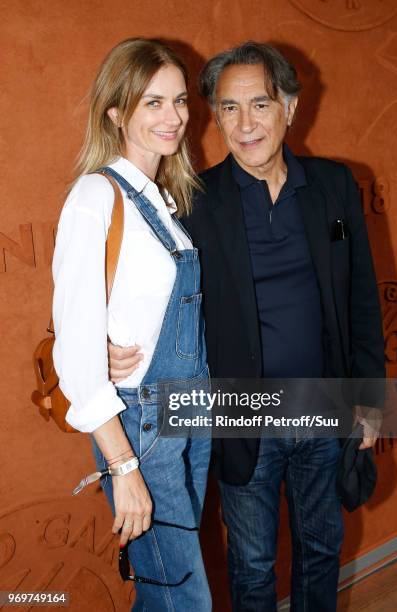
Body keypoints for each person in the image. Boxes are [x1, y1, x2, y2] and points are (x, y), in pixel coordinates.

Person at [109, 41, 385, 611]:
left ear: (290, 106)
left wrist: (370, 399)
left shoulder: (334, 186)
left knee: (320, 552)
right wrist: (94, 344)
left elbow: (361, 300)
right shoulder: (192, 202)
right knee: (253, 567)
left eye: (259, 104)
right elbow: (128, 288)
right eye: (228, 109)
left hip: (325, 404)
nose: (245, 124)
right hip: (243, 417)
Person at [52, 38, 211, 611]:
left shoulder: (164, 200)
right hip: (144, 425)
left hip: (190, 411)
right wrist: (123, 467)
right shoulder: (96, 196)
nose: (173, 117)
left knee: (165, 586)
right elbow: (73, 349)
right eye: (152, 103)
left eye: (179, 101)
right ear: (116, 112)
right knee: (183, 596)